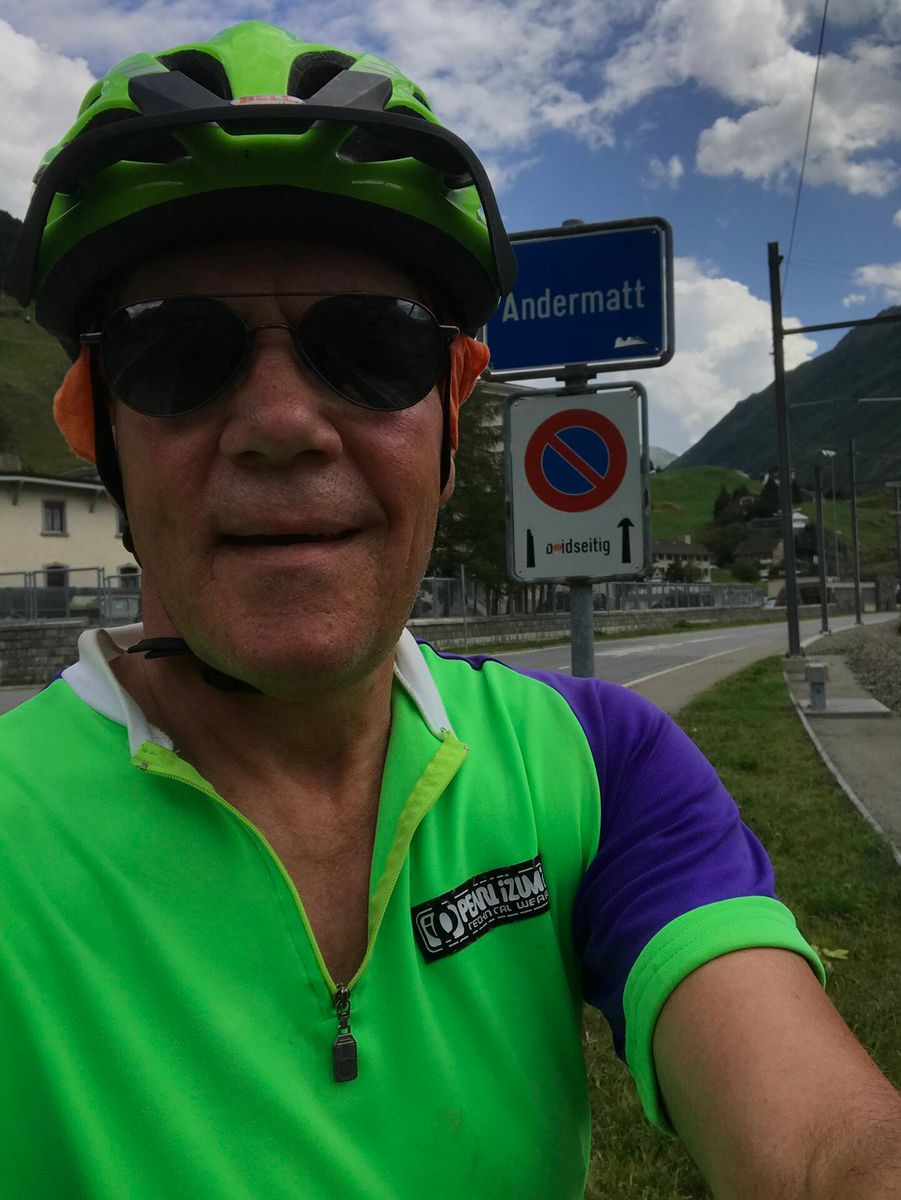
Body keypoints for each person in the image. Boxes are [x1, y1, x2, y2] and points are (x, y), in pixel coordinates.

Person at [3, 20, 900, 1199]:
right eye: (176, 354)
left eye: (369, 347)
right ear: (93, 423)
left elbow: (826, 1152)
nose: (281, 425)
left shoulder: (600, 764)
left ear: (452, 403)